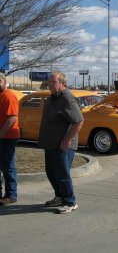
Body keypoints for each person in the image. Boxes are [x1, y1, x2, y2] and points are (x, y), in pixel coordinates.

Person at [39, 71, 84, 214]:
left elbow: (78, 121)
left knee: (62, 174)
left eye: (54, 82)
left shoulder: (67, 98)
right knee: (51, 173)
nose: (50, 85)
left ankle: (70, 201)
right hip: (51, 143)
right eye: (49, 82)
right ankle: (60, 197)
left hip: (63, 145)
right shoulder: (52, 98)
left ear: (62, 83)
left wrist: (67, 139)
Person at [0, 73, 20, 206]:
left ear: (4, 81)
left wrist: (1, 135)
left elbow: (12, 118)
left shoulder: (8, 96)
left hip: (7, 138)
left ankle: (11, 195)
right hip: (2, 137)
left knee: (7, 166)